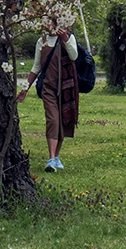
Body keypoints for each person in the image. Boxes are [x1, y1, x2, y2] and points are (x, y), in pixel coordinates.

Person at [17, 23, 79, 172]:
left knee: (62, 121)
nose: (48, 25)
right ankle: (51, 158)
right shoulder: (42, 41)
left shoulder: (68, 38)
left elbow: (74, 56)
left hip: (66, 87)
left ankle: (56, 157)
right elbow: (36, 67)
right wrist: (25, 88)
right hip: (48, 88)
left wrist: (65, 39)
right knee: (53, 120)